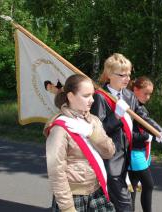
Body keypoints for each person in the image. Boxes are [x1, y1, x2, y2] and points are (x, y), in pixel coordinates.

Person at [90, 53, 162, 212]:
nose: (127, 78)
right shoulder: (100, 97)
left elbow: (143, 118)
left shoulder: (129, 95)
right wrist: (116, 116)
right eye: (122, 74)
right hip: (111, 160)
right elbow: (98, 132)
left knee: (124, 202)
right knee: (125, 205)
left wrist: (160, 132)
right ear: (109, 75)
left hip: (129, 157)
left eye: (128, 74)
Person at [45, 74, 116, 212]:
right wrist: (67, 207)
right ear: (70, 96)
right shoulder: (59, 128)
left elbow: (109, 152)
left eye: (92, 95)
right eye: (86, 96)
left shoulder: (93, 121)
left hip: (97, 189)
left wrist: (92, 134)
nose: (92, 100)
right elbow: (56, 171)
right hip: (73, 196)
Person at [128, 76, 159, 212]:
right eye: (145, 93)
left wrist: (154, 134)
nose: (148, 97)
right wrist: (146, 136)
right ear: (135, 90)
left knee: (132, 187)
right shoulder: (130, 108)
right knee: (148, 184)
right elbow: (127, 134)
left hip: (141, 151)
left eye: (150, 94)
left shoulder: (139, 106)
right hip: (134, 152)